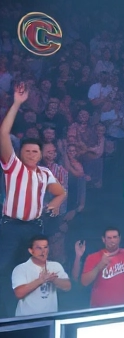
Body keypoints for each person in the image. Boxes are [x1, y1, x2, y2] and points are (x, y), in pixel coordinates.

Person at [0, 83, 66, 318]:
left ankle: (31, 314)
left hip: (34, 229)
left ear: (40, 155)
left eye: (35, 152)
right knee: (3, 270)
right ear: (21, 153)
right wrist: (17, 103)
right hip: (11, 227)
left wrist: (55, 204)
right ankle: (4, 315)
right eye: (27, 151)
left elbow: (61, 192)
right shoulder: (13, 166)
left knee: (33, 271)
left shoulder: (44, 173)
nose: (30, 154)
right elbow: (2, 134)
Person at [77, 226, 124, 308]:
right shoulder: (93, 257)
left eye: (115, 237)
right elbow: (84, 282)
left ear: (119, 238)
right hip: (100, 308)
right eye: (109, 238)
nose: (112, 240)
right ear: (103, 239)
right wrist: (99, 266)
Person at [12, 234, 70, 316]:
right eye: (39, 248)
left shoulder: (55, 266)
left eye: (45, 247)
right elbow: (19, 293)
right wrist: (40, 280)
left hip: (50, 319)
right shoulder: (21, 269)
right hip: (26, 320)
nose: (43, 251)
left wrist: (54, 280)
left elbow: (68, 286)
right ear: (31, 251)